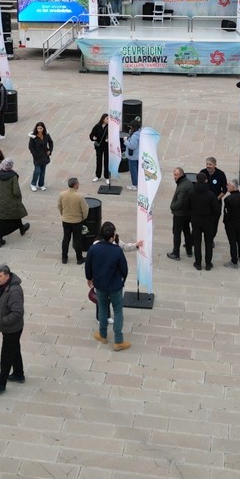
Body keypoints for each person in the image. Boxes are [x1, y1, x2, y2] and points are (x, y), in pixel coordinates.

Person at [86, 221, 130, 350]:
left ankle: (103, 335)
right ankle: (118, 341)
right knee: (118, 311)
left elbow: (88, 265)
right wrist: (122, 280)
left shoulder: (94, 248)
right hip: (115, 286)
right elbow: (124, 268)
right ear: (112, 237)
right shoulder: (116, 251)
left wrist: (89, 279)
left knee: (103, 308)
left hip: (100, 285)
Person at [0, 263, 25, 396]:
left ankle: (1, 383)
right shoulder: (4, 286)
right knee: (14, 349)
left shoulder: (13, 291)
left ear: (7, 276)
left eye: (0, 276)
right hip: (10, 328)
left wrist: (3, 322)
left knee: (6, 356)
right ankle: (18, 374)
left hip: (12, 329)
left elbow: (17, 312)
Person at [0, 158, 30, 247]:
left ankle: (0, 239)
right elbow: (16, 192)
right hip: (11, 200)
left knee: (0, 220)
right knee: (16, 214)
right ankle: (21, 228)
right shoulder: (13, 176)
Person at [189, 171, 222, 271]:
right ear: (206, 181)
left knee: (197, 243)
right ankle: (208, 263)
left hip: (196, 221)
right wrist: (213, 219)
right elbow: (217, 210)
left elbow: (186, 206)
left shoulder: (192, 193)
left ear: (196, 180)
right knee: (208, 243)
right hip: (208, 222)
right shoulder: (211, 195)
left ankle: (198, 263)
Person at [58, 177, 89, 265]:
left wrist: (63, 214)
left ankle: (64, 257)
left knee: (66, 238)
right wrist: (84, 217)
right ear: (75, 185)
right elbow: (85, 209)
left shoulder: (62, 194)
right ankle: (79, 258)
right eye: (78, 183)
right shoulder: (79, 196)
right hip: (77, 221)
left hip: (66, 220)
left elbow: (59, 206)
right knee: (77, 240)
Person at [222, 180, 240, 269]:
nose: (227, 186)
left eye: (228, 185)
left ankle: (234, 261)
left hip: (231, 223)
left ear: (233, 187)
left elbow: (227, 213)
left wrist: (225, 222)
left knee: (232, 242)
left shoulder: (228, 199)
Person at [167, 167, 194, 261]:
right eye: (174, 174)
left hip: (180, 214)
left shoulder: (182, 186)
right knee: (186, 231)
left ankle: (176, 253)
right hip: (187, 213)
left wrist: (172, 206)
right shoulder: (187, 182)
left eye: (176, 175)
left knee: (177, 233)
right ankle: (189, 251)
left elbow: (179, 203)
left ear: (181, 175)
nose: (174, 177)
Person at [28, 122, 54, 191]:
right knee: (37, 171)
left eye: (41, 128)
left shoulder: (46, 135)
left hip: (44, 155)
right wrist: (34, 154)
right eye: (38, 128)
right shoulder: (33, 137)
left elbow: (51, 142)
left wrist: (50, 150)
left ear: (43, 128)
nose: (39, 130)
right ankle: (33, 184)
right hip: (37, 155)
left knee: (43, 171)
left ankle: (41, 184)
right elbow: (30, 146)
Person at [89, 113, 110, 182]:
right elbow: (92, 134)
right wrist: (93, 137)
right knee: (99, 160)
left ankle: (107, 176)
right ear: (103, 119)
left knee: (106, 161)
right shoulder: (97, 126)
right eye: (107, 118)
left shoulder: (110, 127)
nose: (108, 120)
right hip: (99, 146)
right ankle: (98, 175)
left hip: (107, 146)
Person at [124, 121, 141, 190]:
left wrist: (125, 141)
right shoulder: (140, 133)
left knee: (133, 171)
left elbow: (132, 146)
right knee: (137, 170)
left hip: (133, 156)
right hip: (138, 155)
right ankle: (138, 183)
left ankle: (134, 185)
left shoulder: (134, 136)